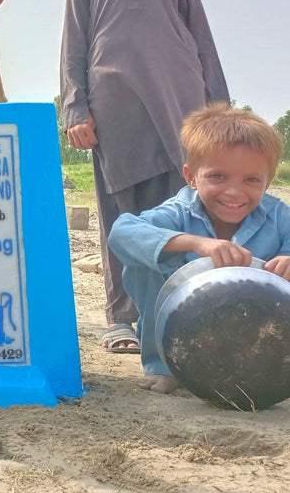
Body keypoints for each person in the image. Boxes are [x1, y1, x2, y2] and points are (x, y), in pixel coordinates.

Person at [59, 0, 229, 354]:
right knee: (120, 214)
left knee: (178, 213)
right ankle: (120, 317)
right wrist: (75, 106)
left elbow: (198, 31)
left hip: (178, 100)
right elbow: (74, 38)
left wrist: (218, 108)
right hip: (112, 105)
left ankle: (173, 311)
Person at [108, 104, 290, 393]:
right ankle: (165, 367)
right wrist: (196, 243)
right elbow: (122, 232)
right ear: (191, 176)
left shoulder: (279, 216)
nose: (233, 192)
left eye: (251, 180)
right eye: (218, 176)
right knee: (144, 258)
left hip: (255, 336)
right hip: (182, 331)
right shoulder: (178, 212)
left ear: (267, 182)